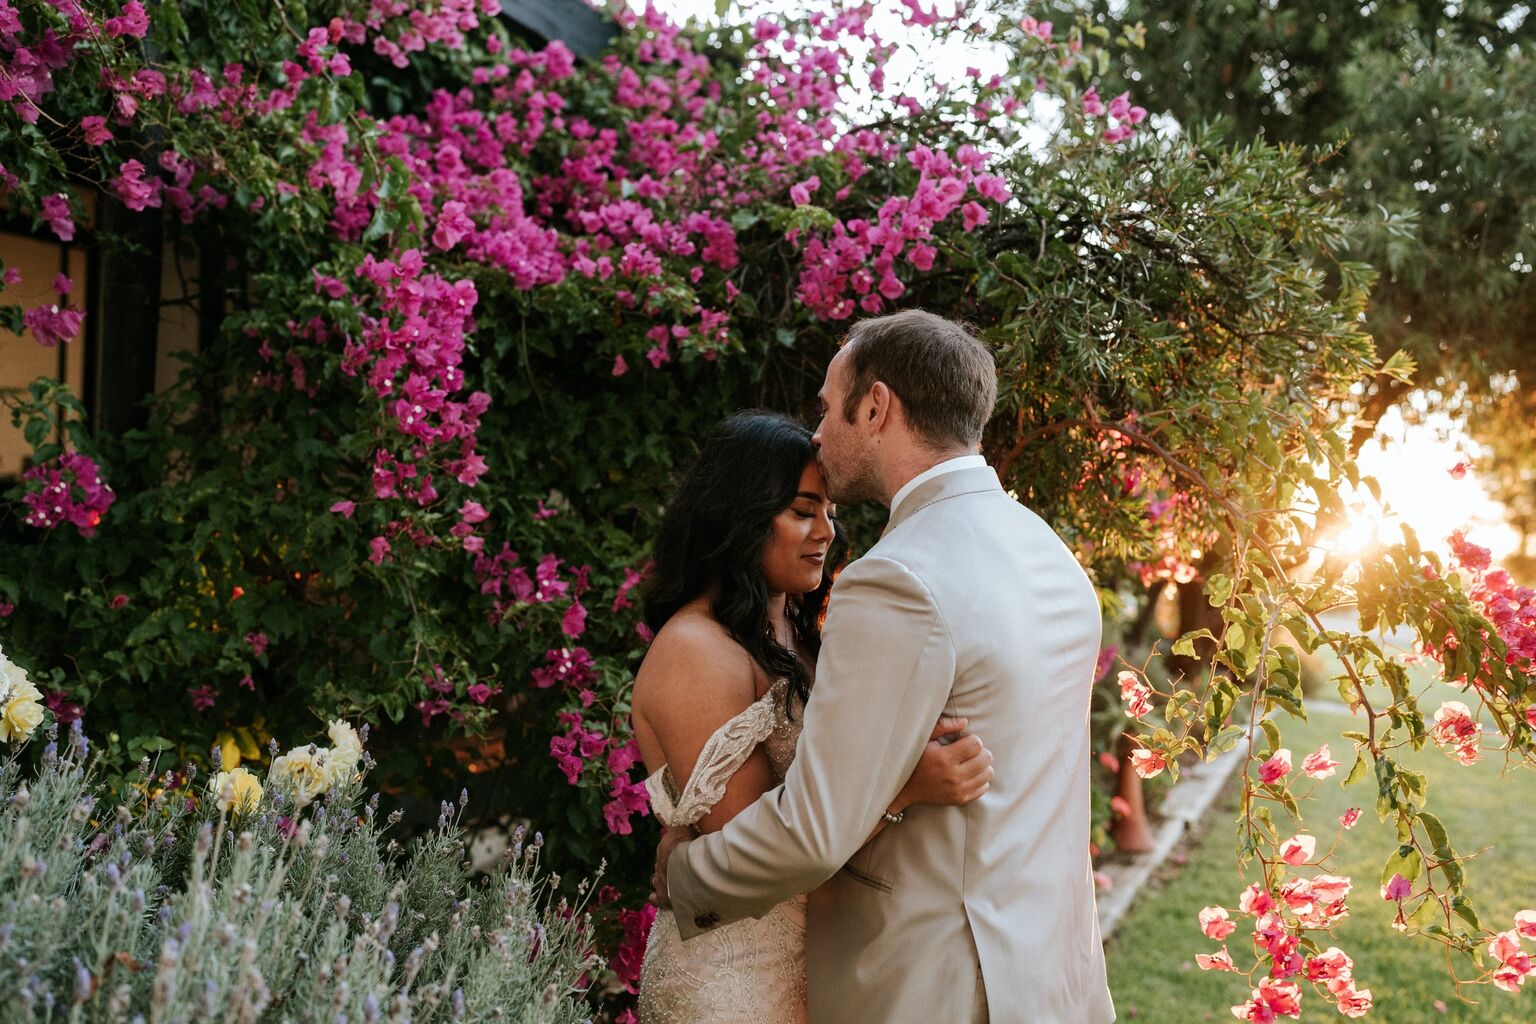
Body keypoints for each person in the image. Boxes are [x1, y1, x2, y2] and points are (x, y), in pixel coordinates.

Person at [654, 310, 1116, 1024]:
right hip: (1053, 979)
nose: (817, 432)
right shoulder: (1051, 555)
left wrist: (686, 877)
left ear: (875, 406)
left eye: (826, 405)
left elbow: (815, 829)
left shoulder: (898, 578)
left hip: (937, 987)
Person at [631, 410, 995, 1024]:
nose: (825, 531)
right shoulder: (697, 651)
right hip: (734, 983)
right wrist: (909, 785)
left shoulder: (794, 635)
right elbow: (749, 855)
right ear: (738, 517)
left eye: (829, 511)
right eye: (802, 512)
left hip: (817, 967)